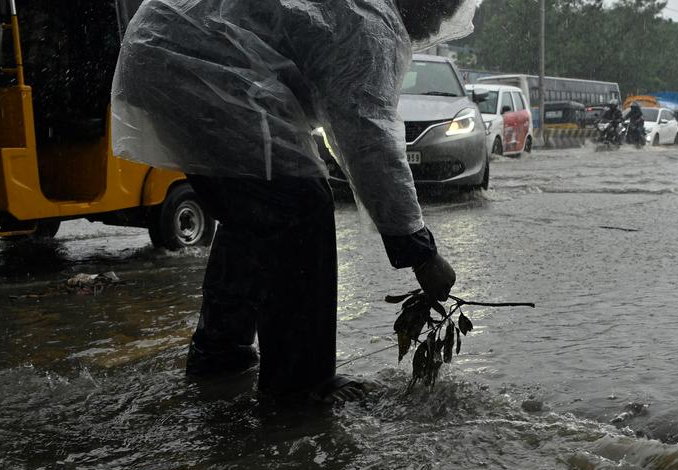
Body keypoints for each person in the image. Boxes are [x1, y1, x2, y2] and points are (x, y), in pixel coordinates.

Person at [111, 0, 473, 403]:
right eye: (440, 9)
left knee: (258, 209)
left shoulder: (364, 10)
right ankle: (300, 385)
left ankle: (220, 354)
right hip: (189, 58)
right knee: (299, 204)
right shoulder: (372, 22)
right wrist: (419, 251)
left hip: (163, 47)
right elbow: (369, 137)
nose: (437, 22)